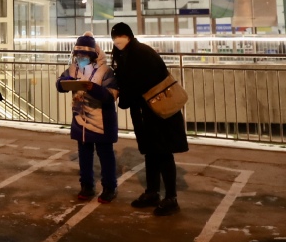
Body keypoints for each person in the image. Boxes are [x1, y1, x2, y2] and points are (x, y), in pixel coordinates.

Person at [109, 22, 188, 216]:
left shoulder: (138, 54)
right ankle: (152, 192)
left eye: (117, 37)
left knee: (163, 153)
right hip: (148, 113)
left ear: (126, 36)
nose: (116, 42)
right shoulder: (131, 52)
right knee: (152, 153)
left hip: (159, 112)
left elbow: (134, 83)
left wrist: (122, 99)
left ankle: (171, 198)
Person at [56, 31, 119, 203]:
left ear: (92, 55)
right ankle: (87, 185)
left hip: (101, 121)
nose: (80, 58)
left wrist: (93, 88)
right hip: (80, 120)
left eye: (84, 55)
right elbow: (59, 85)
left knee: (105, 155)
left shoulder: (106, 71)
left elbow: (110, 96)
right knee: (84, 155)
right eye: (78, 55)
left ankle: (109, 187)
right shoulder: (73, 69)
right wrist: (65, 82)